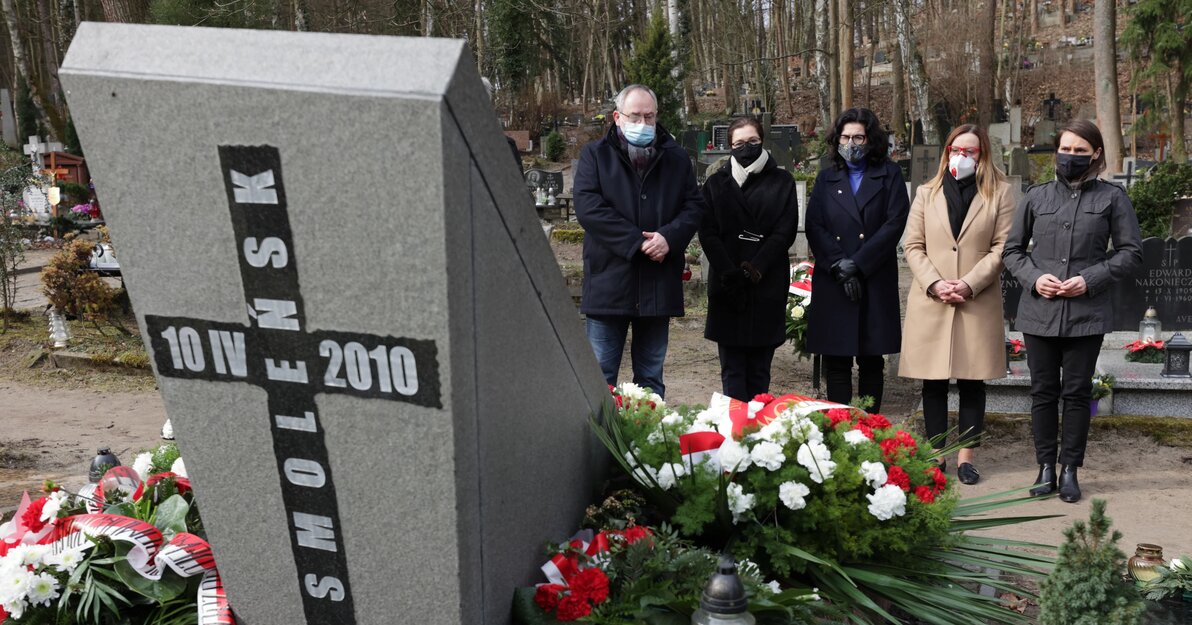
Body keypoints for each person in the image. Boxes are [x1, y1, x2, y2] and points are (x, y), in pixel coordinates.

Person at [1003, 119, 1142, 503]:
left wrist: (1090, 279)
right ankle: (1045, 466)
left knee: (1077, 393)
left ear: (1096, 154)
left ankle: (1070, 470)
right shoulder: (1036, 197)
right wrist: (1034, 278)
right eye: (1066, 149)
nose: (1071, 157)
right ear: (1056, 152)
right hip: (1039, 312)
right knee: (1043, 393)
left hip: (1086, 313)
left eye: (1081, 151)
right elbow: (1012, 251)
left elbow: (1131, 253)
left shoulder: (1113, 199)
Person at [899, 124, 1016, 485]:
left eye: (971, 152)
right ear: (947, 151)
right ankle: (937, 454)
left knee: (971, 381)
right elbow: (912, 245)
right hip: (932, 299)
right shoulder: (926, 193)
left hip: (975, 300)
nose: (962, 157)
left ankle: (966, 457)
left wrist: (968, 283)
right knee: (932, 382)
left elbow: (1003, 248)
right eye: (956, 150)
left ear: (982, 156)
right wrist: (935, 283)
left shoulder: (1001, 194)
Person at [572, 84, 704, 398]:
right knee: (599, 381)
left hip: (658, 286)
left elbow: (694, 205)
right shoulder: (594, 155)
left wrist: (668, 238)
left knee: (651, 380)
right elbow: (589, 207)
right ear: (618, 117)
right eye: (635, 116)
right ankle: (602, 447)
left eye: (650, 116)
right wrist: (638, 242)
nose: (643, 124)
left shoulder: (676, 158)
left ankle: (648, 444)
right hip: (609, 284)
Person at [804, 108, 909, 412]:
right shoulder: (826, 178)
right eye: (846, 137)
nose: (851, 143)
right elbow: (815, 226)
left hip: (873, 278)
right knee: (836, 360)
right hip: (834, 278)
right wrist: (839, 265)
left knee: (871, 360)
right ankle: (841, 426)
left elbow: (894, 224)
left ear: (870, 139)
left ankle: (869, 425)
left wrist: (858, 264)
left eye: (858, 137)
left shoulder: (889, 175)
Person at [698, 117, 800, 400]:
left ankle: (756, 430)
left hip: (765, 282)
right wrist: (730, 273)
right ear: (729, 146)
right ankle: (735, 432)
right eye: (739, 144)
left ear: (762, 141)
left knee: (759, 370)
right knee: (731, 369)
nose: (746, 148)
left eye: (753, 142)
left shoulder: (782, 181)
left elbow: (785, 231)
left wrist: (754, 269)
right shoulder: (716, 184)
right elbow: (707, 232)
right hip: (727, 283)